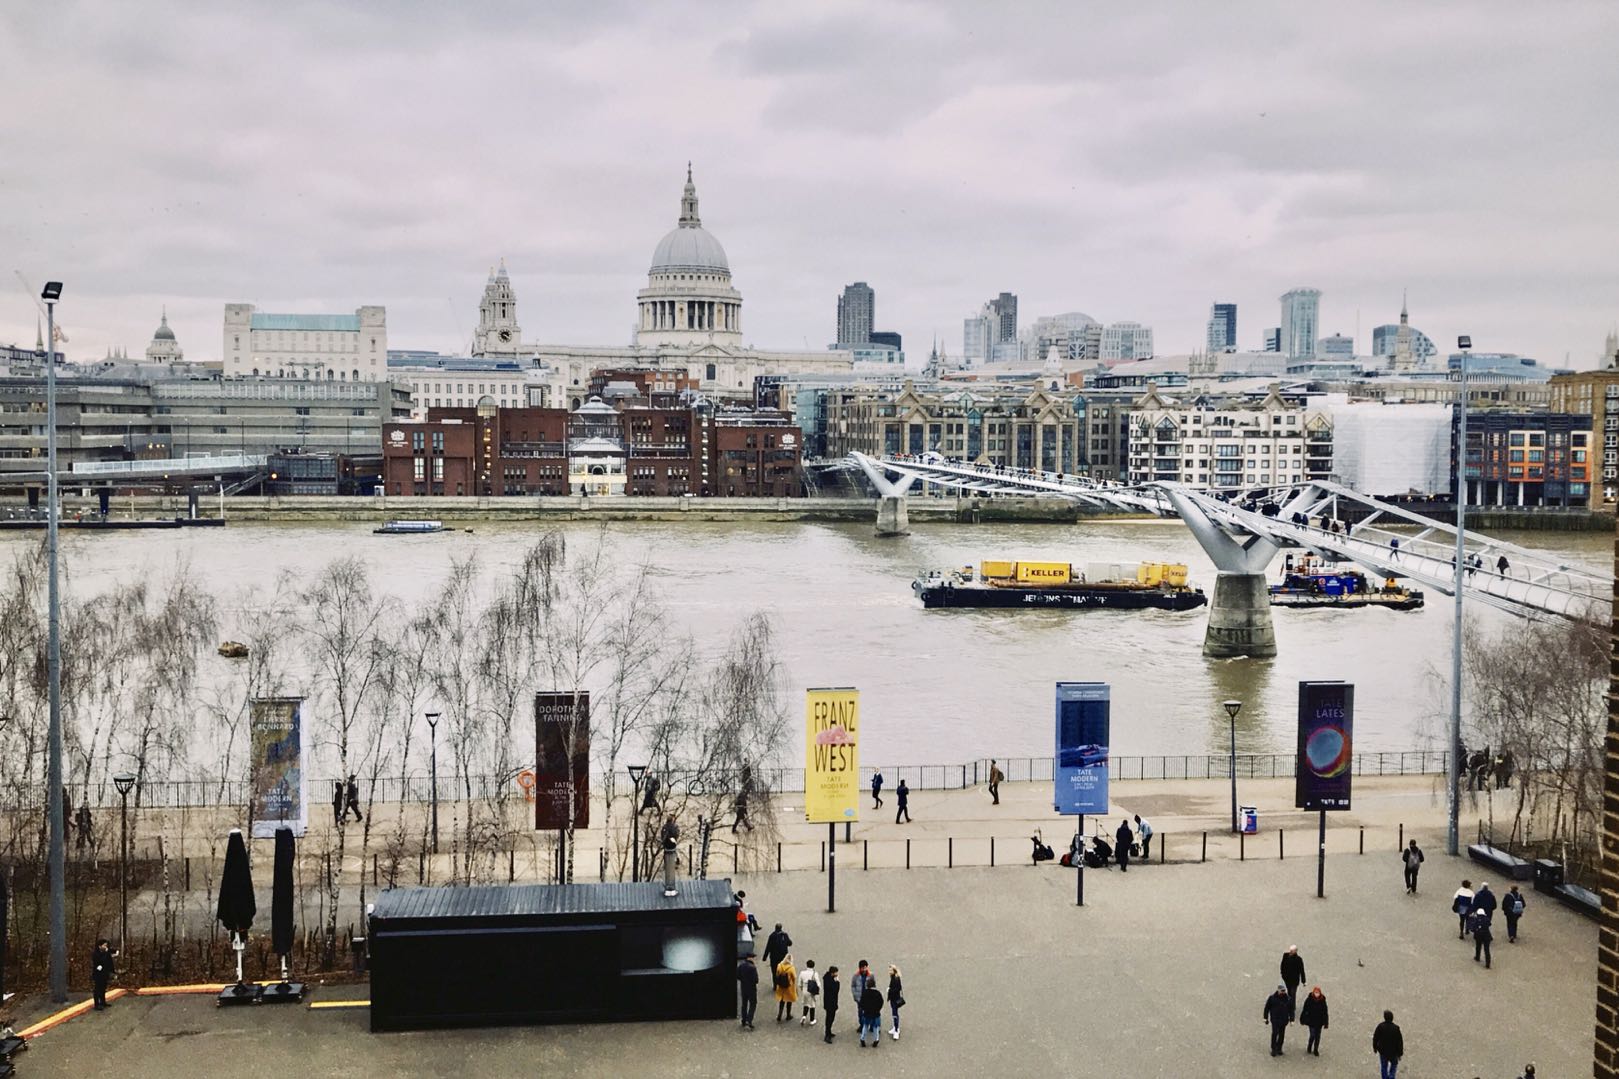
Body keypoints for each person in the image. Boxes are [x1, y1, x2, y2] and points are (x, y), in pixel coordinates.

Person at [1373, 1010, 1404, 1079]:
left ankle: (1385, 1078)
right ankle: (1391, 1077)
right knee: (1394, 1065)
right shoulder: (1396, 1028)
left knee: (1384, 1067)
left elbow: (1375, 1038)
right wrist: (1400, 1053)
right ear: (1392, 1018)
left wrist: (1375, 1047)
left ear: (1384, 1017)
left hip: (1383, 1051)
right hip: (1393, 1052)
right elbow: (1400, 1042)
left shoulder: (1380, 1027)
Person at [1298, 985, 1329, 1056]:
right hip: (1311, 1021)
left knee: (1318, 1036)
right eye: (1315, 992)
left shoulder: (1322, 1001)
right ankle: (1309, 1046)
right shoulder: (1309, 1000)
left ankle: (1315, 1049)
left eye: (1318, 992)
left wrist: (1326, 1022)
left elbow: (1325, 1012)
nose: (1316, 994)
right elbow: (1305, 1010)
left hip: (1319, 1022)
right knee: (1312, 1035)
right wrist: (1302, 1019)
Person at [1262, 984, 1291, 1056]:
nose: (1283, 992)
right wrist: (1265, 1017)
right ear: (1278, 990)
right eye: (1282, 991)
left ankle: (1279, 1048)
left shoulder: (1287, 999)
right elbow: (1267, 1008)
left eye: (1284, 991)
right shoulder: (1272, 998)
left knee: (1281, 1035)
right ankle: (1273, 1048)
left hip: (1284, 1020)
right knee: (1275, 1033)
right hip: (1275, 1019)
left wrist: (1292, 1018)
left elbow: (1291, 1009)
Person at [1280, 945, 1306, 1018]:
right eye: (1290, 950)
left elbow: (1302, 971)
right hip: (1287, 979)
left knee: (1293, 993)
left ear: (1295, 951)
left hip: (1294, 980)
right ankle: (1290, 1005)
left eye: (1292, 951)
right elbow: (1282, 965)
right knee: (1289, 992)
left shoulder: (1299, 959)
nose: (1290, 952)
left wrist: (1303, 981)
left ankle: (1292, 1008)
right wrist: (1282, 974)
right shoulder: (1285, 956)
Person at [91, 938, 117, 1010]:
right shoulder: (96, 953)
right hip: (98, 973)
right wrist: (105, 953)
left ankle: (103, 1002)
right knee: (97, 988)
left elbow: (109, 962)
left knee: (103, 988)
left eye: (106, 945)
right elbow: (100, 961)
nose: (106, 947)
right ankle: (97, 1004)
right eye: (104, 945)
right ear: (100, 946)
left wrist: (112, 971)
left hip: (105, 972)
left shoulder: (106, 952)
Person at [859, 978, 885, 1049]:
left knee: (865, 1026)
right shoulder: (878, 993)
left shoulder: (865, 993)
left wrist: (865, 1009)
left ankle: (862, 1039)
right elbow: (881, 1003)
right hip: (876, 1013)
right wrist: (878, 1009)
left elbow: (861, 1003)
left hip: (867, 1013)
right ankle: (876, 1040)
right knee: (875, 1027)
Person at [735, 954, 758, 1030]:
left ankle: (743, 1020)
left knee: (744, 1004)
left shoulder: (741, 966)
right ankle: (749, 1019)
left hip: (744, 988)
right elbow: (756, 980)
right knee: (753, 1004)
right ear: (750, 958)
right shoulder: (753, 968)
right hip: (751, 989)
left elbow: (737, 976)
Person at [774, 953, 798, 1022]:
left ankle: (779, 1014)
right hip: (789, 987)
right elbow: (794, 977)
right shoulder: (791, 968)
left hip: (781, 986)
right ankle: (788, 1015)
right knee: (789, 1001)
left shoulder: (779, 966)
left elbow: (777, 974)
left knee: (782, 1001)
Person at [886, 964, 905, 1041]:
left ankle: (896, 1030)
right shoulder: (894, 977)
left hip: (895, 999)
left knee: (895, 1014)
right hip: (893, 999)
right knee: (894, 1013)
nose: (889, 972)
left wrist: (889, 990)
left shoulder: (895, 979)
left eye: (890, 970)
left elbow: (897, 989)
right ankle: (895, 1027)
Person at [822, 965, 840, 1043]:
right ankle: (827, 1034)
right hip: (831, 1002)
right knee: (830, 1018)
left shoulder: (826, 978)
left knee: (830, 1017)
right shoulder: (831, 981)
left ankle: (828, 1031)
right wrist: (837, 982)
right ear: (833, 973)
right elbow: (835, 990)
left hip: (828, 1001)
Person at [799, 959, 820, 1027]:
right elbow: (818, 984)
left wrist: (802, 989)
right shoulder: (815, 974)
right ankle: (812, 1019)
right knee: (812, 1005)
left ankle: (804, 1016)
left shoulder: (802, 973)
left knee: (805, 1003)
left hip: (805, 989)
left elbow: (799, 984)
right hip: (811, 990)